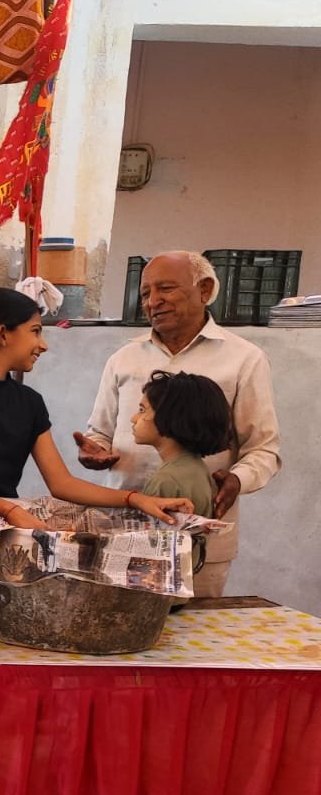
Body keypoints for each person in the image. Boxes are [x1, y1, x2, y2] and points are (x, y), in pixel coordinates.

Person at [0, 287, 191, 605]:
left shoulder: (30, 403)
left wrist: (136, 499)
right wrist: (9, 509)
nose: (44, 344)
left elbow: (62, 483)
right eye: (35, 331)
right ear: (3, 333)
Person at [73, 251, 281, 598]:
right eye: (145, 293)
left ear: (205, 290)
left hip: (199, 545)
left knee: (190, 628)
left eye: (166, 288)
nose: (152, 301)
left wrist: (236, 480)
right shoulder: (123, 358)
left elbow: (263, 449)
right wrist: (95, 450)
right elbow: (101, 431)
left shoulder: (244, 359)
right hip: (125, 536)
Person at [134, 369, 233, 578]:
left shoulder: (166, 480)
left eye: (142, 410)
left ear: (169, 417)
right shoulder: (196, 468)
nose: (134, 418)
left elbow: (149, 556)